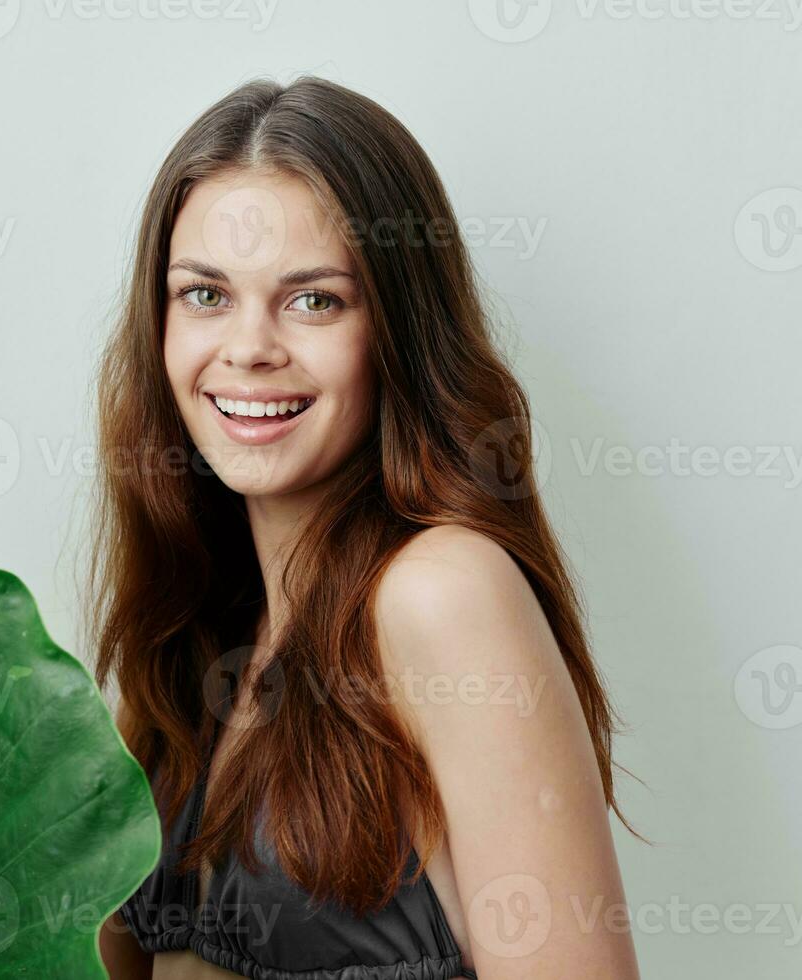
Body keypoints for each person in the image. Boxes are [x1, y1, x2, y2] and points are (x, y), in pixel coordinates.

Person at [89, 74, 642, 980]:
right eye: (204, 295)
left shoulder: (443, 593)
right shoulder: (183, 654)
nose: (248, 348)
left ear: (397, 329)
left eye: (314, 300)